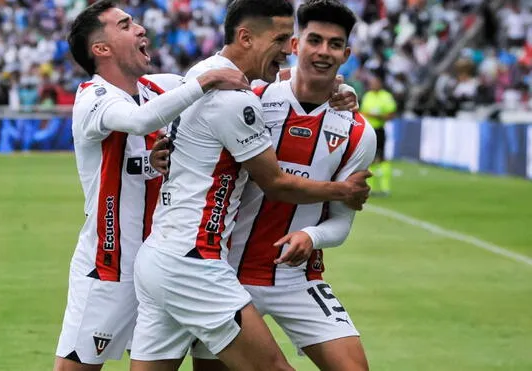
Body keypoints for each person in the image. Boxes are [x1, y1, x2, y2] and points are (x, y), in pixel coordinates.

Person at [130, 1, 372, 370]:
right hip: (206, 264)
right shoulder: (247, 98)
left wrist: (313, 235)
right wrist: (344, 190)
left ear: (346, 54)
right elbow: (274, 183)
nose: (321, 51)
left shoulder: (207, 74)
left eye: (334, 45)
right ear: (296, 46)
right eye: (287, 40)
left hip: (180, 259)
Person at [53, 1, 251, 370]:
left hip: (162, 261)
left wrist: (312, 82)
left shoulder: (155, 87)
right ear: (101, 49)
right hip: (109, 265)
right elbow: (142, 120)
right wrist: (205, 81)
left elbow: (227, 72)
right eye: (125, 25)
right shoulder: (93, 98)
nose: (140, 28)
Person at [360, 74, 396, 197]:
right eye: (371, 83)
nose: (373, 85)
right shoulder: (367, 96)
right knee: (370, 159)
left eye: (375, 83)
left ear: (380, 84)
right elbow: (362, 112)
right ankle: (371, 188)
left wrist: (377, 116)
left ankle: (385, 188)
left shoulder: (386, 97)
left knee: (382, 158)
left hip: (380, 130)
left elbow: (391, 114)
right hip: (369, 131)